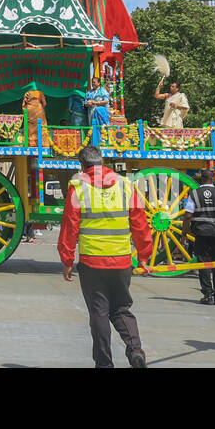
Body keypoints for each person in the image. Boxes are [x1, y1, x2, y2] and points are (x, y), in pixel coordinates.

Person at [58, 145, 152, 368]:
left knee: (99, 313)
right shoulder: (126, 185)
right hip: (121, 260)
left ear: (82, 165)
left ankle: (104, 363)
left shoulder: (78, 187)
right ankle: (135, 350)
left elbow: (70, 227)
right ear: (102, 161)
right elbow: (140, 224)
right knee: (121, 309)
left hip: (92, 262)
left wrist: (67, 260)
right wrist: (144, 256)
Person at [183, 173, 215, 305]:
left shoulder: (195, 194)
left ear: (202, 179)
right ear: (212, 179)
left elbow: (188, 215)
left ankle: (208, 295)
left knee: (203, 265)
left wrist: (184, 233)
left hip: (201, 235)